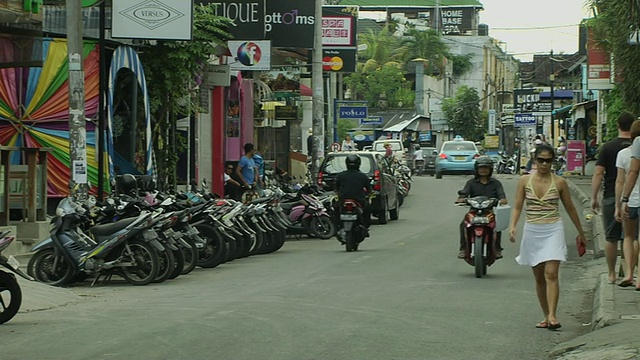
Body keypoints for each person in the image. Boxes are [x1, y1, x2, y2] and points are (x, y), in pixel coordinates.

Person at [510, 144, 586, 330]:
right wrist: (512, 226)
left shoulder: (559, 182)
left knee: (551, 274)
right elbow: (518, 206)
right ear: (535, 160)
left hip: (553, 229)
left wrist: (581, 232)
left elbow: (570, 208)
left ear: (553, 162)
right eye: (541, 160)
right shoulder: (524, 181)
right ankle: (546, 315)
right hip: (532, 230)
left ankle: (552, 315)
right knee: (539, 278)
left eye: (548, 160)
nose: (544, 164)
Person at [592, 111, 634, 283]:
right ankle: (628, 270)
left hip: (611, 196)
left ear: (617, 125)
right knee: (630, 237)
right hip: (634, 197)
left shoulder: (607, 147)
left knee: (611, 237)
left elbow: (598, 173)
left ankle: (611, 274)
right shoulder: (635, 147)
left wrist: (594, 197)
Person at [456, 156, 508, 259]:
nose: (483, 170)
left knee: (497, 226)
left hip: (488, 212)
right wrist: (461, 199)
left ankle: (497, 248)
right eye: (481, 168)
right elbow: (464, 194)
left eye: (486, 168)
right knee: (463, 224)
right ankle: (463, 248)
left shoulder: (496, 183)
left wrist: (502, 200)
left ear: (490, 169)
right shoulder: (471, 183)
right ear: (477, 169)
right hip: (473, 211)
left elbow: (502, 197)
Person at [615, 120, 640, 288]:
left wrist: (622, 200)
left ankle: (630, 274)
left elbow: (627, 176)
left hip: (632, 200)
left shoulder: (626, 152)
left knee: (629, 236)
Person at [335, 154, 372, 230]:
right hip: (359, 200)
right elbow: (369, 189)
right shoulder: (363, 176)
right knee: (367, 209)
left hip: (343, 199)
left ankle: (337, 226)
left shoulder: (340, 175)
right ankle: (365, 227)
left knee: (336, 208)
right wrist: (368, 194)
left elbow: (336, 188)